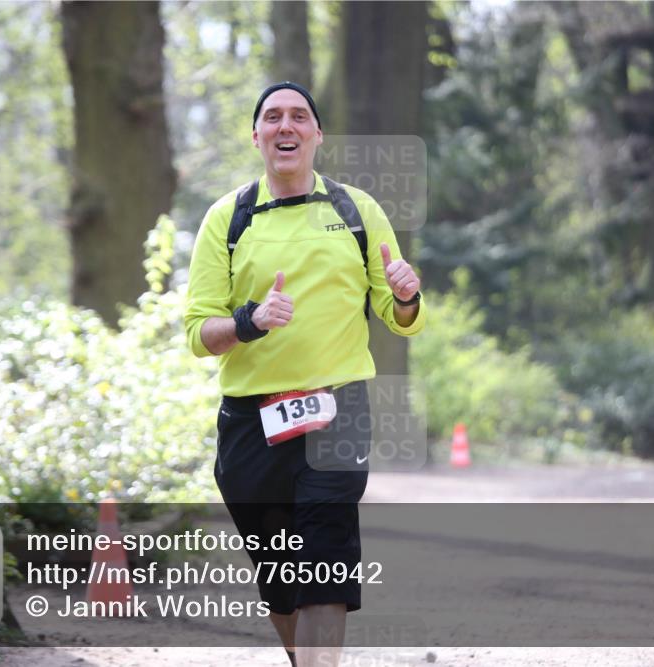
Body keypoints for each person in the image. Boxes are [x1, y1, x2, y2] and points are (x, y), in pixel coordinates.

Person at [184, 81, 427, 667]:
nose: (285, 126)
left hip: (335, 412)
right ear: (256, 136)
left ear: (318, 134)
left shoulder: (356, 210)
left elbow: (401, 319)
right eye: (273, 117)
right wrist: (250, 321)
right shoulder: (228, 218)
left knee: (324, 565)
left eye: (299, 116)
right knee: (281, 579)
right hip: (251, 421)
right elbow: (198, 333)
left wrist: (405, 297)